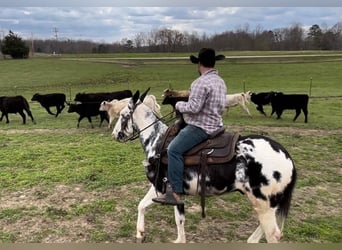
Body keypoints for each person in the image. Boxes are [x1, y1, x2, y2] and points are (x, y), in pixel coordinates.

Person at [153, 48, 227, 206]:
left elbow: (194, 108)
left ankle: (175, 193)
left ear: (199, 64)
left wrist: (178, 104)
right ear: (213, 63)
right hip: (216, 124)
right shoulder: (220, 81)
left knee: (173, 149)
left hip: (201, 127)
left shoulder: (199, 83)